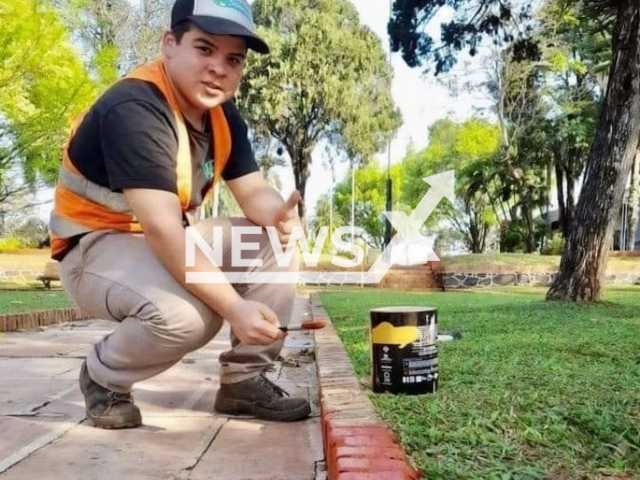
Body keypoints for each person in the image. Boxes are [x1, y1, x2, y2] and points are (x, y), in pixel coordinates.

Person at [49, 0, 311, 429]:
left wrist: (278, 216)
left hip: (160, 242)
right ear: (169, 44)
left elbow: (254, 192)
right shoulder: (135, 108)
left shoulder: (222, 115)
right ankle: (103, 375)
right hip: (95, 250)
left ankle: (244, 381)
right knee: (190, 317)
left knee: (271, 243)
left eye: (233, 59)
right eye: (204, 49)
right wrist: (234, 307)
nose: (218, 69)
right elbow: (164, 229)